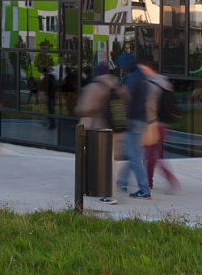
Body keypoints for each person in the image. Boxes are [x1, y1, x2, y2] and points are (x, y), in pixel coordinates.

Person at [76, 61, 129, 205]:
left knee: (106, 164)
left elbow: (85, 108)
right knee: (111, 163)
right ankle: (102, 190)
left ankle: (111, 195)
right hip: (119, 129)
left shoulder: (94, 87)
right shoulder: (119, 86)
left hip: (102, 132)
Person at [139, 59, 181, 195]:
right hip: (164, 124)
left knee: (151, 155)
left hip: (154, 124)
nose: (141, 72)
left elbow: (148, 107)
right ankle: (149, 182)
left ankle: (171, 181)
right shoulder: (164, 82)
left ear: (149, 70)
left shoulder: (151, 85)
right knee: (154, 154)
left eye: (142, 69)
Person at [114, 52, 151, 199]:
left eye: (122, 66)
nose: (121, 69)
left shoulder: (133, 78)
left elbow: (125, 98)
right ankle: (122, 182)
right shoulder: (141, 76)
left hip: (134, 121)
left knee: (135, 157)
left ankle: (144, 190)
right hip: (141, 120)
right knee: (131, 153)